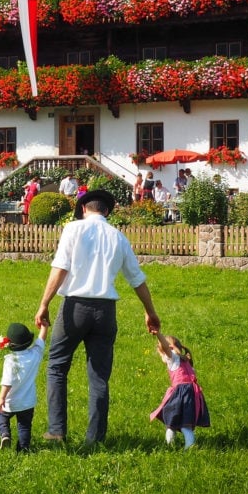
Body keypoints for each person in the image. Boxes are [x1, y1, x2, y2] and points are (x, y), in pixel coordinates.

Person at [34, 190, 161, 447]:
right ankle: (95, 439)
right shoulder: (119, 237)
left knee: (57, 366)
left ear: (83, 209)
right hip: (105, 312)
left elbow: (60, 268)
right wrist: (150, 311)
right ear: (107, 212)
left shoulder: (73, 229)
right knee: (99, 376)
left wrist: (44, 303)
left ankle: (57, 431)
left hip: (75, 308)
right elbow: (137, 279)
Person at [150, 333, 210, 449]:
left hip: (180, 393)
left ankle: (173, 447)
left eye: (160, 351)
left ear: (169, 348)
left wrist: (158, 334)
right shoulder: (186, 361)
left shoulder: (173, 357)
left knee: (171, 422)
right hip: (193, 394)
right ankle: (189, 447)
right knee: (185, 424)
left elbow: (165, 347)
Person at [0, 321, 48, 452]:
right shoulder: (35, 354)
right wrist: (44, 327)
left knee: (2, 416)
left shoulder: (10, 361)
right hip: (28, 402)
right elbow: (41, 340)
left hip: (10, 401)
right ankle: (24, 449)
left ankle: (5, 434)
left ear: (10, 344)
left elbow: (7, 382)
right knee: (24, 426)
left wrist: (2, 398)